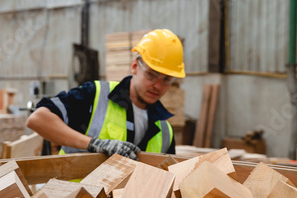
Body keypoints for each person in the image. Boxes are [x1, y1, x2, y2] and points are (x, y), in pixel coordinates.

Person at [26, 29, 185, 160]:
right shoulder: (95, 96)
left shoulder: (165, 132)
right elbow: (37, 119)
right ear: (135, 66)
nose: (157, 86)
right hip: (75, 197)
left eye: (166, 80)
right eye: (151, 75)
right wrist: (94, 144)